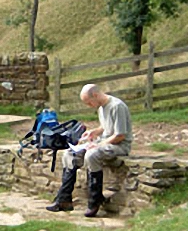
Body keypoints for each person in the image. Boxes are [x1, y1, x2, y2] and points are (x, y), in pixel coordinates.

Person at [46, 84, 133, 217]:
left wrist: (99, 144)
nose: (88, 105)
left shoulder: (117, 106)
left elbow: (120, 135)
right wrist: (94, 133)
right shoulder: (101, 107)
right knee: (69, 154)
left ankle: (94, 200)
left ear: (96, 95)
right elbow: (105, 127)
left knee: (92, 155)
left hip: (119, 145)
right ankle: (64, 199)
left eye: (89, 102)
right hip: (105, 142)